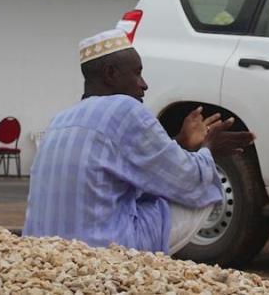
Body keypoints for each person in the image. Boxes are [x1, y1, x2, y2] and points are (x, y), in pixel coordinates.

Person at [23, 29, 255, 254]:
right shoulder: (125, 108)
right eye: (137, 73)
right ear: (110, 73)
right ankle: (142, 265)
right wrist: (208, 148)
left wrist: (182, 143)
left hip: (44, 253)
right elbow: (187, 180)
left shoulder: (59, 120)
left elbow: (132, 167)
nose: (144, 84)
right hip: (99, 255)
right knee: (204, 188)